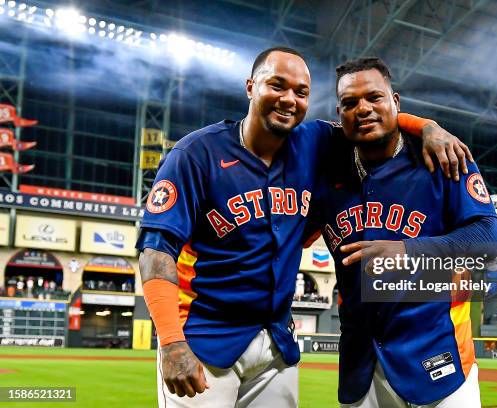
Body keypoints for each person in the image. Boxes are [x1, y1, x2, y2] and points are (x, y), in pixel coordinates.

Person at [136, 47, 475, 408]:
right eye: (276, 85)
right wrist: (171, 342)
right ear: (251, 87)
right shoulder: (195, 154)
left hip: (277, 346)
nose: (288, 99)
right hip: (205, 338)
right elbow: (156, 251)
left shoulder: (314, 143)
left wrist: (427, 127)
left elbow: (372, 118)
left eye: (300, 92)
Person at [307, 57, 497, 407]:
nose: (363, 108)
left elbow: (488, 237)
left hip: (438, 349)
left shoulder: (443, 157)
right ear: (339, 113)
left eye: (374, 97)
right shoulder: (324, 167)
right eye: (350, 103)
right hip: (360, 365)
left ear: (395, 102)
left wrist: (408, 251)